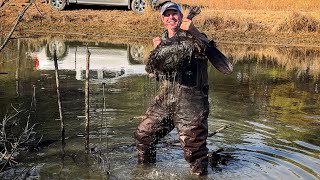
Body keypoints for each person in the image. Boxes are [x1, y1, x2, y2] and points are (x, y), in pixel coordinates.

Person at [134, 1, 210, 176]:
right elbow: (155, 74)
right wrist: (156, 55)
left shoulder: (194, 38)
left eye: (174, 14)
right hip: (166, 99)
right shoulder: (161, 43)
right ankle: (145, 173)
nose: (171, 18)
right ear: (162, 19)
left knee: (194, 152)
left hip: (192, 102)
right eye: (167, 15)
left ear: (181, 17)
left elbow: (209, 50)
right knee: (144, 136)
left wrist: (193, 31)